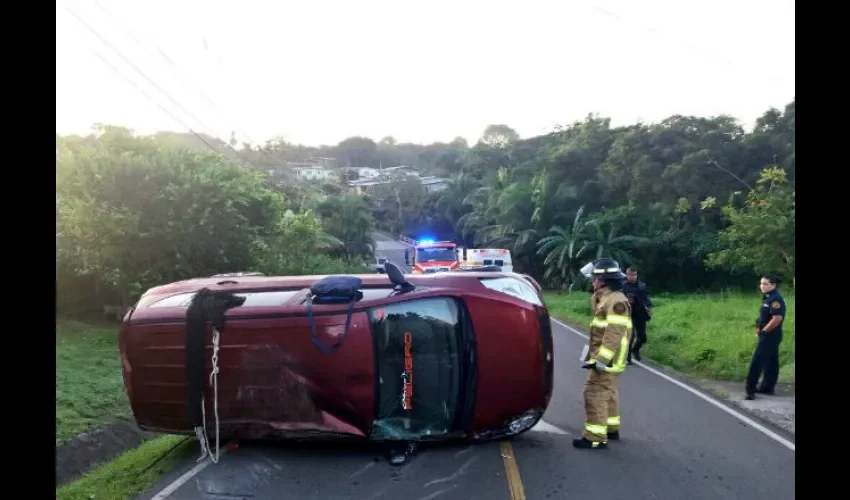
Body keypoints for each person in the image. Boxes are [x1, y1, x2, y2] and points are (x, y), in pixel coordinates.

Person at [573, 257, 632, 450]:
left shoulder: (616, 301)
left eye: (595, 278)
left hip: (608, 358)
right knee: (609, 391)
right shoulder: (608, 297)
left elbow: (614, 333)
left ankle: (595, 437)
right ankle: (611, 428)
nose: (593, 281)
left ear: (603, 280)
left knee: (594, 392)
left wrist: (601, 359)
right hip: (610, 357)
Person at [745, 274, 787, 400]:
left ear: (773, 285)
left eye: (765, 284)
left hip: (770, 335)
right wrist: (758, 325)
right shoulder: (768, 297)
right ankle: (767, 387)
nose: (762, 286)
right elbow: (765, 316)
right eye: (761, 283)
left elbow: (777, 318)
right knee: (771, 362)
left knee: (757, 361)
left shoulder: (775, 299)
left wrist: (764, 331)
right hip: (769, 334)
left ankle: (750, 390)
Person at [621, 266, 653, 363]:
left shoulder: (641, 285)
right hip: (628, 314)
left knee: (642, 337)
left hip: (640, 314)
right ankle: (628, 357)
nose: (633, 277)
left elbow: (646, 298)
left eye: (634, 275)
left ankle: (636, 350)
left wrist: (650, 307)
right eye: (630, 275)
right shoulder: (622, 286)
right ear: (626, 275)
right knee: (630, 336)